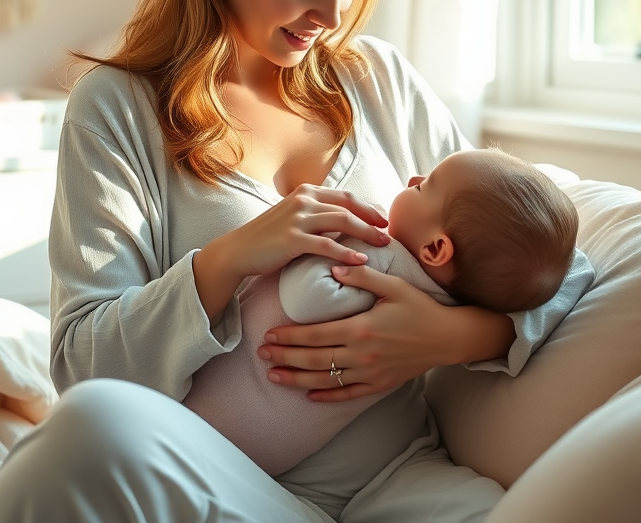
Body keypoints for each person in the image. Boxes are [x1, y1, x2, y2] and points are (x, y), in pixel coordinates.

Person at [0, 0, 595, 523]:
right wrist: (229, 258)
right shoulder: (118, 108)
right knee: (87, 430)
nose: (330, 13)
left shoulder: (377, 80)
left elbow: (549, 245)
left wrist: (454, 335)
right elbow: (83, 366)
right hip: (222, 483)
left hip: (400, 482)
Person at [183, 147, 582, 476]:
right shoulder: (455, 292)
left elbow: (307, 300)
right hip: (263, 452)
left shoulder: (381, 253)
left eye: (426, 187)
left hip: (220, 429)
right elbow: (550, 263)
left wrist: (320, 238)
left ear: (435, 249)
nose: (412, 179)